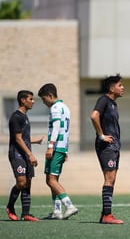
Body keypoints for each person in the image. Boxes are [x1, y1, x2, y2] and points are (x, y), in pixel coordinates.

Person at [38, 83, 78, 220]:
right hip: (61, 147)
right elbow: (65, 130)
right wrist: (65, 149)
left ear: (50, 95)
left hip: (55, 148)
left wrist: (50, 146)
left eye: (44, 99)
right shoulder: (65, 107)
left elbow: (56, 127)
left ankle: (70, 206)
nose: (44, 103)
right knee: (52, 179)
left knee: (51, 180)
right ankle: (57, 211)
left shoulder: (55, 108)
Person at [90, 74, 125, 224]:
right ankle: (107, 215)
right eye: (120, 85)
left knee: (112, 179)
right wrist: (101, 135)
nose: (123, 87)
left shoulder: (113, 103)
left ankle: (105, 214)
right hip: (106, 146)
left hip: (114, 146)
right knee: (109, 179)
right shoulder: (103, 100)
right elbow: (94, 116)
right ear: (112, 88)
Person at [6, 90, 44, 221]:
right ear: (23, 100)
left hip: (25, 154)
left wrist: (35, 141)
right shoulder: (16, 116)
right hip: (17, 154)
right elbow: (17, 139)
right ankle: (10, 207)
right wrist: (31, 154)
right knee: (21, 182)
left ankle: (26, 213)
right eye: (31, 99)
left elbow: (24, 138)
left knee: (27, 183)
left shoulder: (25, 116)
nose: (33, 101)